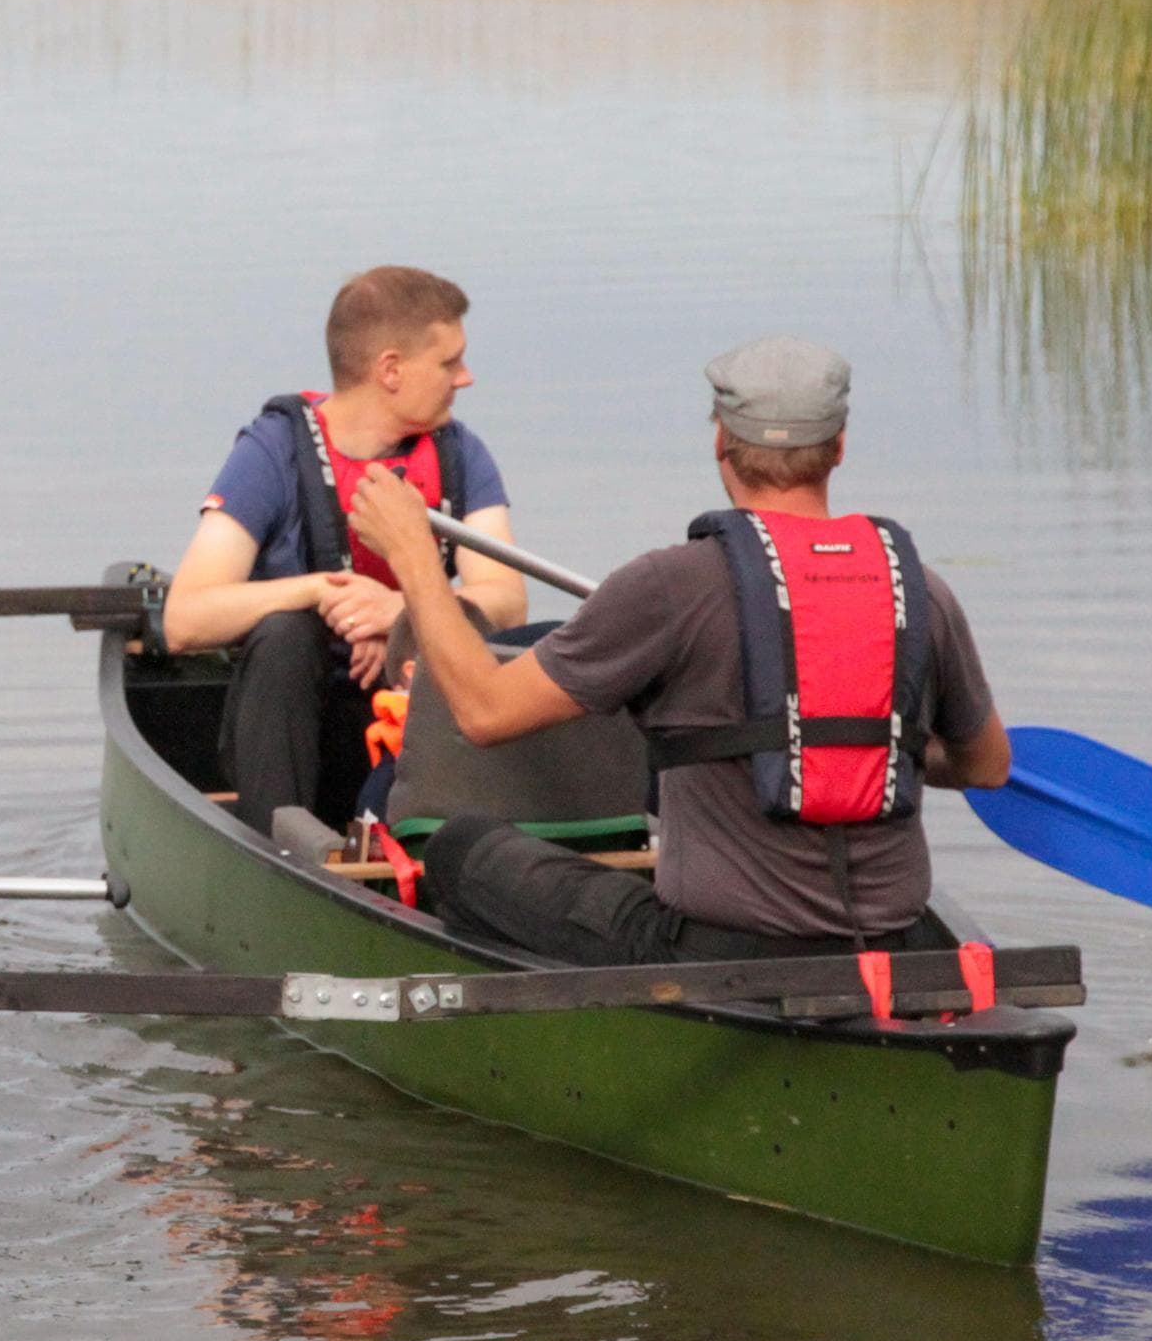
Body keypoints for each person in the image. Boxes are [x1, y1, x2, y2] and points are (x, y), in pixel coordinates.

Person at [345, 336, 1013, 964]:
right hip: (891, 944)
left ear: (721, 442)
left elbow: (484, 712)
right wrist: (858, 740)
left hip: (713, 953)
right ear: (838, 446)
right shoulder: (922, 591)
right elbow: (985, 765)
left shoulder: (669, 586)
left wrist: (413, 558)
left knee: (463, 847)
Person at [161, 266, 528, 832]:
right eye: (449, 363)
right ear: (390, 370)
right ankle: (280, 850)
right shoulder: (271, 452)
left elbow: (507, 600)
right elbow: (184, 620)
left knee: (523, 645)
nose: (466, 378)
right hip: (295, 732)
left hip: (403, 723)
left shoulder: (460, 453)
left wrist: (402, 610)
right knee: (286, 635)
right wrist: (321, 592)